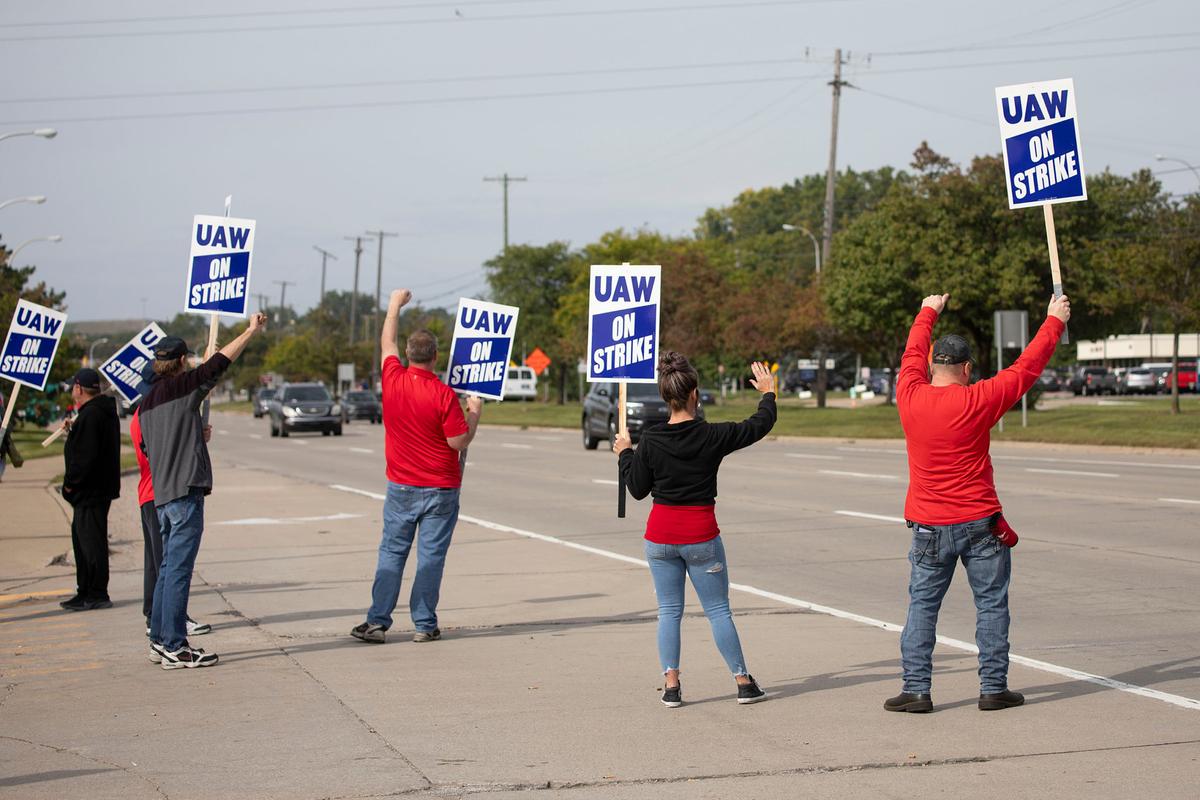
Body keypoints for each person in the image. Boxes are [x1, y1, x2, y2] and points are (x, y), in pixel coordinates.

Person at [886, 292, 1070, 714]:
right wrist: (1053, 320)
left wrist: (928, 310)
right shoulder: (979, 399)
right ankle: (992, 688)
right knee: (990, 605)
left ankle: (916, 690)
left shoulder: (909, 395)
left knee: (922, 608)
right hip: (980, 523)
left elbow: (912, 350)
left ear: (933, 365)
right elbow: (1027, 369)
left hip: (929, 526)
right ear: (967, 369)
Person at [616, 353, 776, 707]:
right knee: (718, 610)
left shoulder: (652, 439)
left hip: (659, 538)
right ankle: (743, 682)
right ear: (695, 394)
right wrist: (768, 393)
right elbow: (758, 425)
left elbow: (638, 489)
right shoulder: (712, 435)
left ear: (664, 396)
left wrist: (625, 453)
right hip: (701, 534)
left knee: (669, 611)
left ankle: (671, 686)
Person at [351, 289, 482, 645]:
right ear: (436, 357)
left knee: (392, 553)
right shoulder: (443, 394)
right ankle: (424, 624)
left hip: (402, 487)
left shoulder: (391, 377)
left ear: (408, 355)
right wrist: (474, 413)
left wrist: (394, 304)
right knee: (431, 557)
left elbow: (386, 341)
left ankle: (377, 621)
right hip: (441, 487)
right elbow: (458, 442)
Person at [140, 315, 267, 669]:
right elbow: (220, 362)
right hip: (184, 493)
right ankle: (177, 646)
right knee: (178, 570)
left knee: (167, 569)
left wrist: (194, 431)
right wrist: (250, 331)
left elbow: (150, 448)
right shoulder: (184, 387)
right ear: (182, 362)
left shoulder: (147, 402)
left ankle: (160, 639)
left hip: (163, 495)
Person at [129, 403, 211, 638]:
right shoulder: (150, 412)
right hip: (159, 491)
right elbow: (160, 452)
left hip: (154, 492)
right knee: (169, 565)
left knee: (159, 564)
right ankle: (170, 625)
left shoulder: (146, 411)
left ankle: (157, 621)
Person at [59, 368, 121, 611]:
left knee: (91, 543)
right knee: (83, 542)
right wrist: (73, 432)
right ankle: (85, 590)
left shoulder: (92, 415)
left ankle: (96, 592)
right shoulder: (96, 413)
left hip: (90, 491)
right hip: (96, 490)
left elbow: (85, 458)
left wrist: (70, 484)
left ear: (79, 388)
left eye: (73, 387)